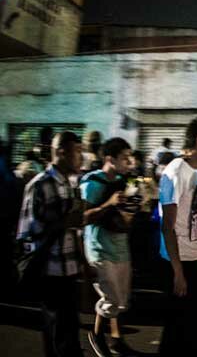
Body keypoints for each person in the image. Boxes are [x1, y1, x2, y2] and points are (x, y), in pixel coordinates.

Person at [16, 131, 85, 357]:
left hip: (69, 269)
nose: (81, 157)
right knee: (58, 334)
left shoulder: (69, 182)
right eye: (77, 151)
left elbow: (73, 228)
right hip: (50, 272)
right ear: (61, 153)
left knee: (69, 332)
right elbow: (27, 234)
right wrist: (65, 221)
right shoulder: (40, 185)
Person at [158, 118, 197, 356]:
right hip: (179, 261)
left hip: (195, 256)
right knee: (181, 328)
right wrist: (178, 272)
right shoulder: (175, 171)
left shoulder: (196, 172)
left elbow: (193, 214)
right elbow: (167, 226)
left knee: (191, 326)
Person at [80, 137, 139, 356]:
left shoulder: (127, 181)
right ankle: (96, 335)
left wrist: (136, 205)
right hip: (99, 248)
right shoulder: (92, 182)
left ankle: (116, 339)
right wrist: (109, 203)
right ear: (110, 159)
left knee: (121, 300)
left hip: (121, 246)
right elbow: (83, 216)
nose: (129, 161)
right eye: (124, 157)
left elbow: (127, 217)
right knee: (111, 298)